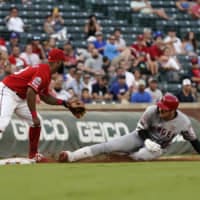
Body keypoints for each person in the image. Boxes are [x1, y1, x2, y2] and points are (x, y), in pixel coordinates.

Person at [59, 93, 200, 162]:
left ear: (173, 110)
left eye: (165, 109)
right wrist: (147, 141)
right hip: (140, 137)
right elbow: (141, 130)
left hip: (158, 148)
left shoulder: (183, 122)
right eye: (161, 107)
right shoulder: (152, 110)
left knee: (140, 157)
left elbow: (194, 141)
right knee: (108, 146)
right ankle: (72, 156)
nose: (161, 110)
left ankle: (119, 159)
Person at [0, 48, 85, 162]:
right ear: (58, 62)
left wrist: (64, 103)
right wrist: (33, 114)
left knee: (37, 122)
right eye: (62, 62)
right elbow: (31, 92)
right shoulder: (43, 71)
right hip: (7, 91)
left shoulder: (46, 72)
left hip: (20, 97)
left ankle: (33, 155)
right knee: (2, 123)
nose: (63, 65)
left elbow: (45, 97)